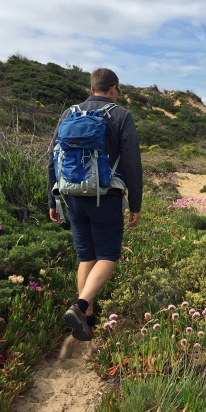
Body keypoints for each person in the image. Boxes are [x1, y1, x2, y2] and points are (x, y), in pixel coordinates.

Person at [47, 68, 143, 341]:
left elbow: (52, 159)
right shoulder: (121, 115)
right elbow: (132, 164)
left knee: (85, 256)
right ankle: (79, 306)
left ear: (91, 88)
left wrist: (52, 199)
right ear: (113, 88)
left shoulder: (69, 113)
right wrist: (135, 204)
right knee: (108, 255)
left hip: (72, 196)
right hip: (106, 197)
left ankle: (86, 318)